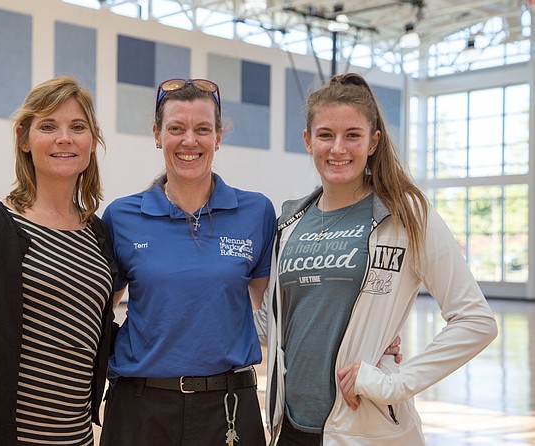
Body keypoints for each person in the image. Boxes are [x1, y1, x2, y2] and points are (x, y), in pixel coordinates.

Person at [257, 72, 498, 445]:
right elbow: (270, 324)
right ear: (308, 141)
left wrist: (394, 383)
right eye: (325, 135)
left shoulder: (407, 215)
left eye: (352, 135)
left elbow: (476, 321)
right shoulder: (289, 223)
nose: (338, 148)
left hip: (364, 429)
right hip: (289, 427)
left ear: (373, 142)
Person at [0, 76, 117, 446]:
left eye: (77, 127)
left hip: (76, 438)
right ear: (23, 138)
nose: (64, 138)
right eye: (48, 126)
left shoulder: (99, 233)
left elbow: (95, 330)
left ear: (92, 142)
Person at [98, 78, 276, 446]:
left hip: (228, 408)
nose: (189, 141)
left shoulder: (256, 211)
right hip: (140, 406)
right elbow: (98, 313)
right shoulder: (122, 217)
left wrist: (365, 339)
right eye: (176, 128)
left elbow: (278, 312)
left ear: (218, 137)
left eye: (203, 129)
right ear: (158, 135)